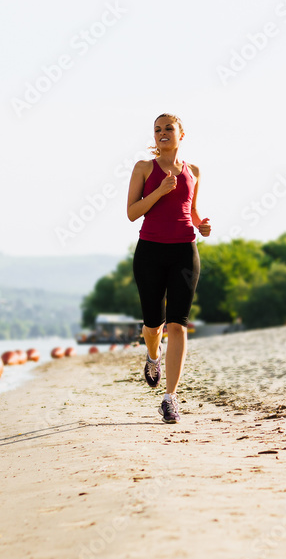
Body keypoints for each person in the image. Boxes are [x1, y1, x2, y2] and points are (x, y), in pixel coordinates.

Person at [126, 113, 211, 423]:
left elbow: (192, 210)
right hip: (149, 252)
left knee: (177, 324)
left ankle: (170, 398)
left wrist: (202, 225)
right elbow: (132, 212)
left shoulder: (195, 171)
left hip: (185, 252)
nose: (162, 133)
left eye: (168, 128)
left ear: (181, 134)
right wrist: (160, 191)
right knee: (153, 326)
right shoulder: (144, 168)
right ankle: (152, 356)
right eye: (157, 129)